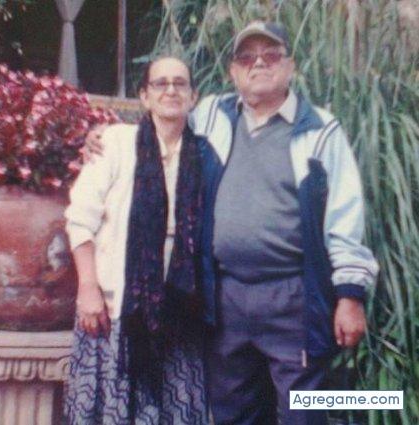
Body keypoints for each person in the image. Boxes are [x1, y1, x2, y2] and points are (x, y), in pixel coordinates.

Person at [85, 21, 379, 425]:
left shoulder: (319, 130)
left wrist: (350, 296)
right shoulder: (212, 115)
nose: (258, 64)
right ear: (233, 72)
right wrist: (103, 133)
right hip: (225, 300)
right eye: (246, 57)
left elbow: (344, 218)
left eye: (270, 55)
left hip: (292, 298)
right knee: (232, 413)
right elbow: (163, 120)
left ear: (290, 66)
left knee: (305, 411)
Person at [63, 57, 219, 424]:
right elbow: (80, 219)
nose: (171, 90)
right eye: (160, 83)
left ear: (193, 96)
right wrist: (88, 287)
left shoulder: (204, 154)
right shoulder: (116, 143)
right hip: (116, 312)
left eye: (180, 83)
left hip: (179, 313)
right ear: (145, 96)